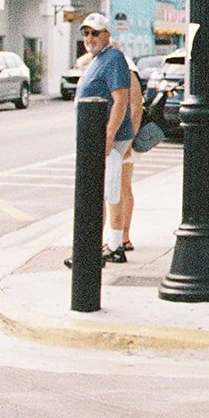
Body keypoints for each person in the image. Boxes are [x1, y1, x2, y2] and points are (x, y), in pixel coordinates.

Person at [73, 14, 134, 265]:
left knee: (108, 191)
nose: (89, 38)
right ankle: (105, 245)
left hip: (108, 137)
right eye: (85, 33)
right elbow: (82, 60)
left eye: (95, 33)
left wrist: (108, 136)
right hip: (95, 137)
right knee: (106, 191)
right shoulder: (100, 58)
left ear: (107, 34)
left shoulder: (114, 59)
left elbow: (121, 100)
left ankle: (111, 245)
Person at [118, 62, 144, 252]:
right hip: (107, 139)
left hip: (123, 138)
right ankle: (111, 234)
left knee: (123, 187)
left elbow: (136, 106)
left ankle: (124, 236)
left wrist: (129, 139)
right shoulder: (102, 65)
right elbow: (81, 62)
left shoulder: (127, 72)